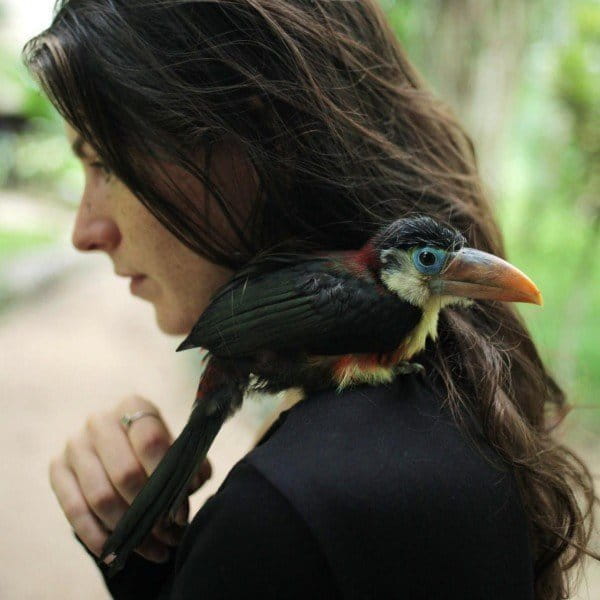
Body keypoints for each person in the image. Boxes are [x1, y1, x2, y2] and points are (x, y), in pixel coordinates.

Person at [23, 1, 596, 598]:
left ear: (247, 143)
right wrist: (162, 571)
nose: (84, 231)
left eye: (107, 164)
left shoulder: (288, 511)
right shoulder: (450, 416)